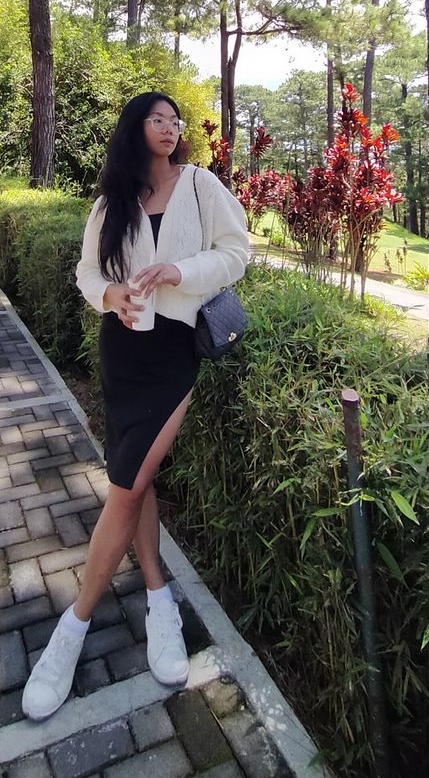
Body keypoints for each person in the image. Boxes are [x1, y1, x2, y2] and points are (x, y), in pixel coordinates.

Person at [22, 92, 250, 721]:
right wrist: (111, 295)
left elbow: (238, 252)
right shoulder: (112, 201)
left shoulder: (200, 186)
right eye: (158, 119)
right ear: (135, 128)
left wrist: (180, 270)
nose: (171, 128)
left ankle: (72, 628)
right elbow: (87, 275)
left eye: (175, 121)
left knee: (125, 484)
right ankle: (158, 599)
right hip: (121, 350)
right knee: (137, 474)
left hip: (173, 354)